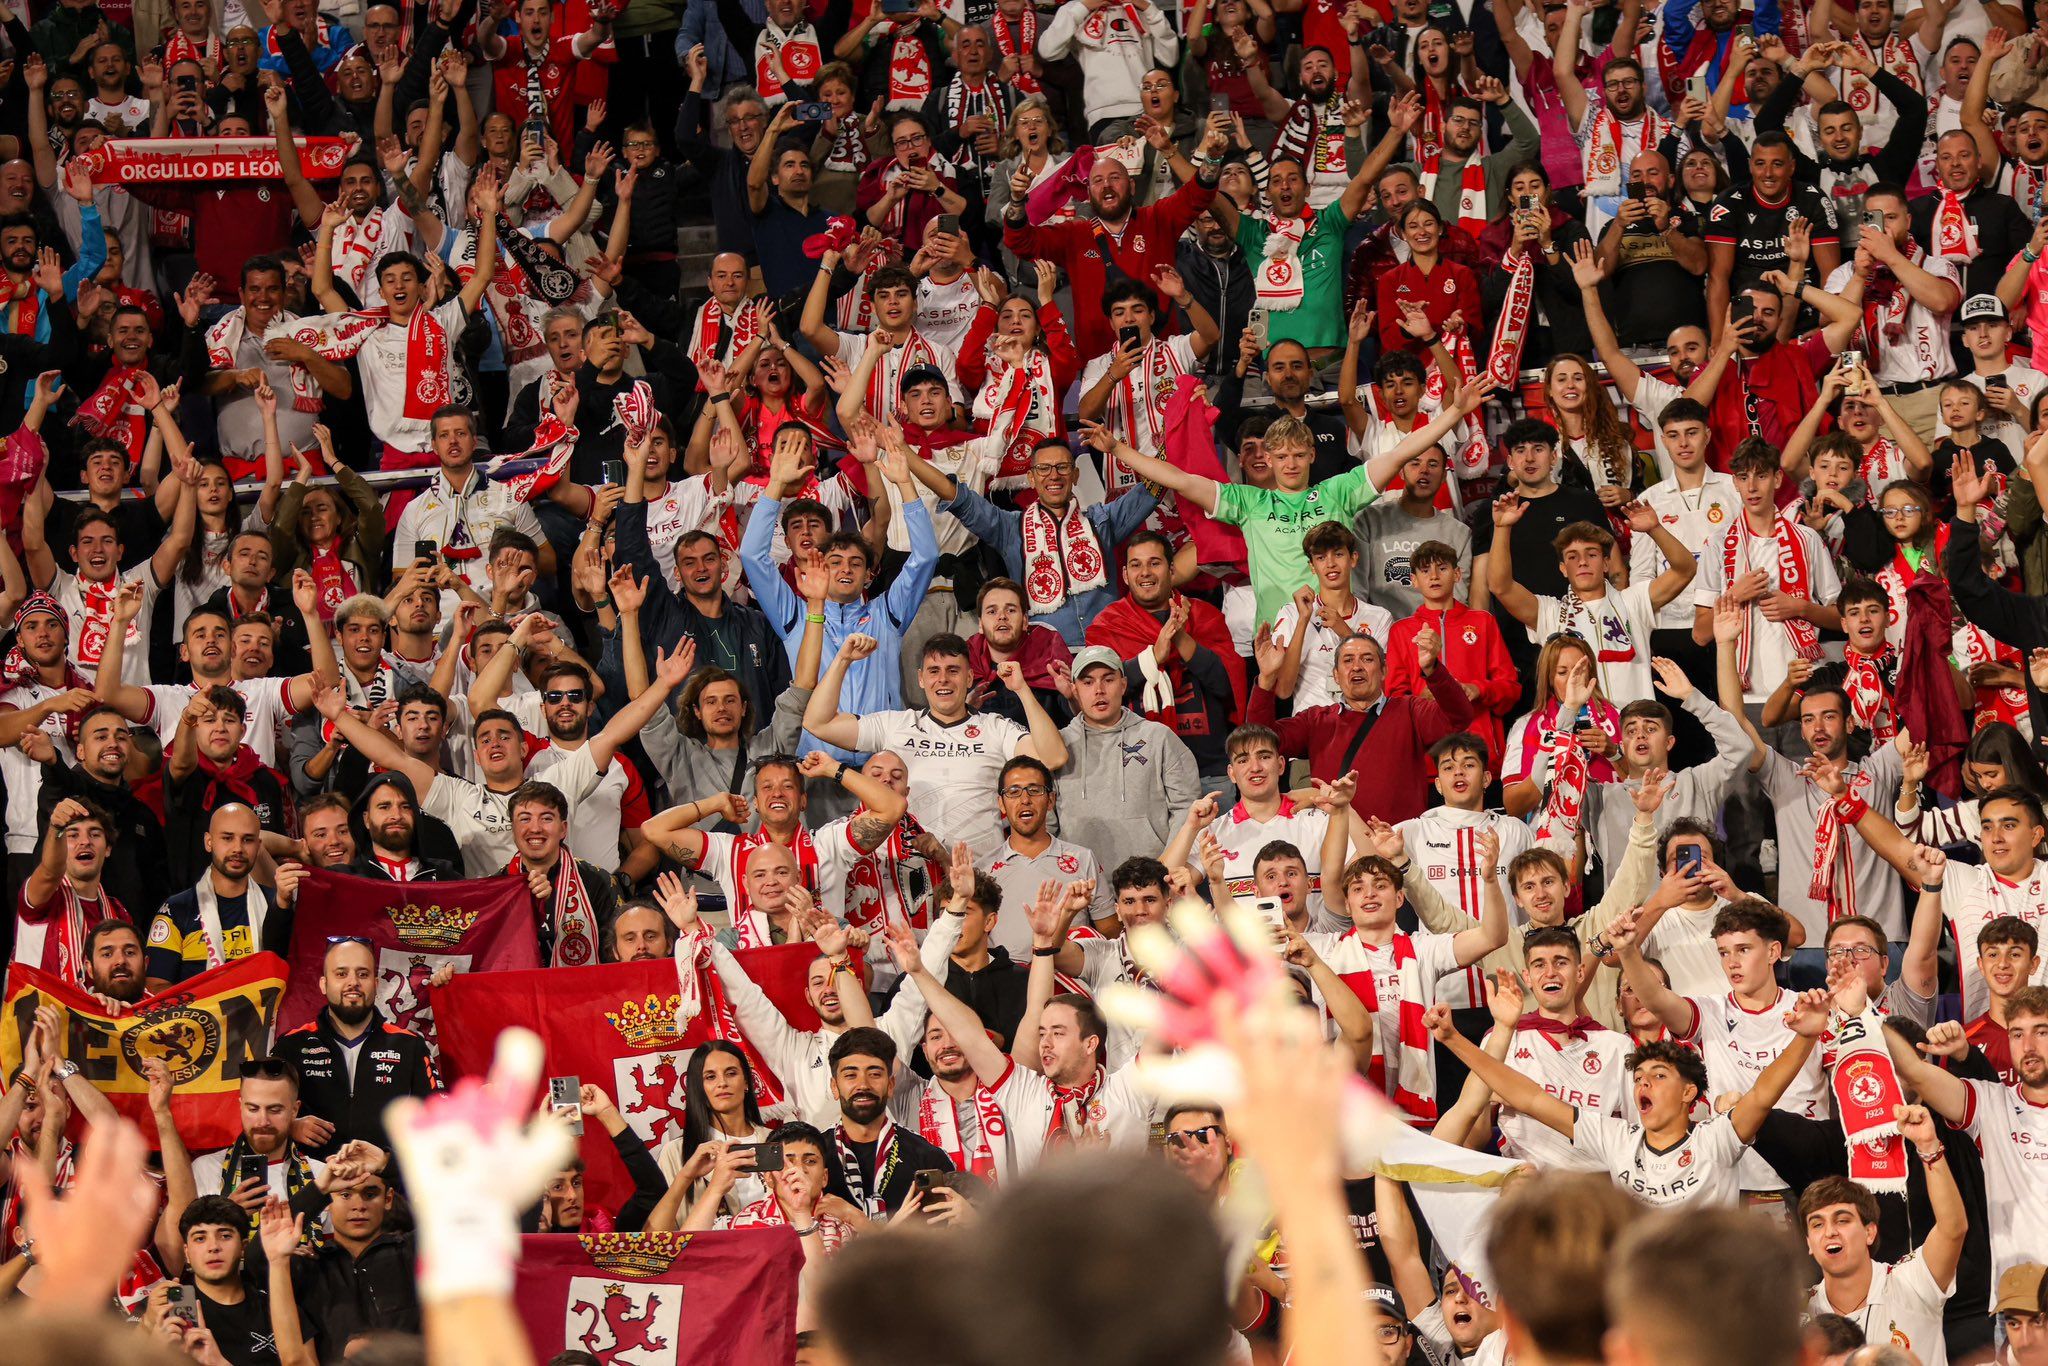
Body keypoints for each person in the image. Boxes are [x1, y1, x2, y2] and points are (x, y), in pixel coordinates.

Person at [1429, 984, 1829, 1205]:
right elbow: (1530, 1097)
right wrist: (1453, 1040)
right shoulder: (1616, 1139)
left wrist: (1806, 1037)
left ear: (1690, 1092)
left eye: (1658, 1075)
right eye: (1639, 1078)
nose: (1643, 1084)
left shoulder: (1716, 1139)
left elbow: (1761, 1094)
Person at [804, 632, 1068, 855]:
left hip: (979, 879)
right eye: (934, 671)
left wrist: (1022, 689)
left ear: (968, 678)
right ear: (921, 678)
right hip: (907, 876)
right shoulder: (895, 724)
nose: (943, 679)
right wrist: (843, 659)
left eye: (953, 671)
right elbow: (818, 723)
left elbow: (1053, 757)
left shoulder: (995, 728)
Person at [273, 938, 439, 1160]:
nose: (353, 982)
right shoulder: (291, 1044)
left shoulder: (410, 1045)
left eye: (363, 974)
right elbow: (259, 1112)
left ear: (376, 984)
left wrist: (387, 1163)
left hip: (384, 1187)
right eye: (341, 974)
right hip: (312, 1187)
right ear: (323, 984)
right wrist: (288, 1126)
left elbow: (436, 1122)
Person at [1803, 1152, 1967, 1366]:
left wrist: (1929, 1148)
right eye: (1817, 1224)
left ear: (1869, 1232)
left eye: (1842, 1220)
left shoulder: (1911, 1282)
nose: (1830, 1232)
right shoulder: (1802, 1314)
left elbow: (1953, 1228)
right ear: (1808, 1243)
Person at [1052, 645, 1201, 878]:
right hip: (1080, 881)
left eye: (1108, 680)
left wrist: (1166, 868)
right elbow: (1047, 818)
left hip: (1149, 882)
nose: (1099, 690)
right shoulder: (1059, 746)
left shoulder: (1158, 737)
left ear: (1123, 684)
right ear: (1074, 690)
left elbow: (1186, 807)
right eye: (1088, 682)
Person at [159, 1195, 320, 1366]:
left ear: (243, 1247)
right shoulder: (166, 1312)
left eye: (225, 1236)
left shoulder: (281, 1310)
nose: (213, 1247)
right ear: (186, 1252)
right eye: (200, 1238)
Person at [145, 804, 292, 991]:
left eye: (247, 840)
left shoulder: (278, 905)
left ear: (258, 846)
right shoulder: (176, 910)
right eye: (227, 838)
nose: (238, 848)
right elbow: (155, 986)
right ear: (209, 842)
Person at [12, 795, 126, 987]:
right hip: (39, 1014)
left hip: (98, 1014)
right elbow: (50, 872)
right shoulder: (42, 896)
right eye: (72, 835)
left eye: (95, 834)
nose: (85, 842)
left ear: (108, 849)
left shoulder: (117, 911)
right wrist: (56, 828)